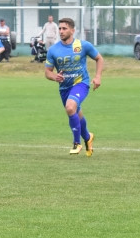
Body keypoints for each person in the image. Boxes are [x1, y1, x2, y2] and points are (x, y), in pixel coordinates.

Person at [44, 18, 103, 155]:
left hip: (81, 83)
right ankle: (88, 138)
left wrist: (98, 76)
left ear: (72, 30)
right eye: (60, 28)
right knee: (75, 113)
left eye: (64, 28)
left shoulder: (83, 45)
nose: (61, 31)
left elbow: (99, 58)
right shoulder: (53, 50)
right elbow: (47, 72)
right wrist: (55, 77)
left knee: (70, 107)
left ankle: (77, 143)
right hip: (64, 88)